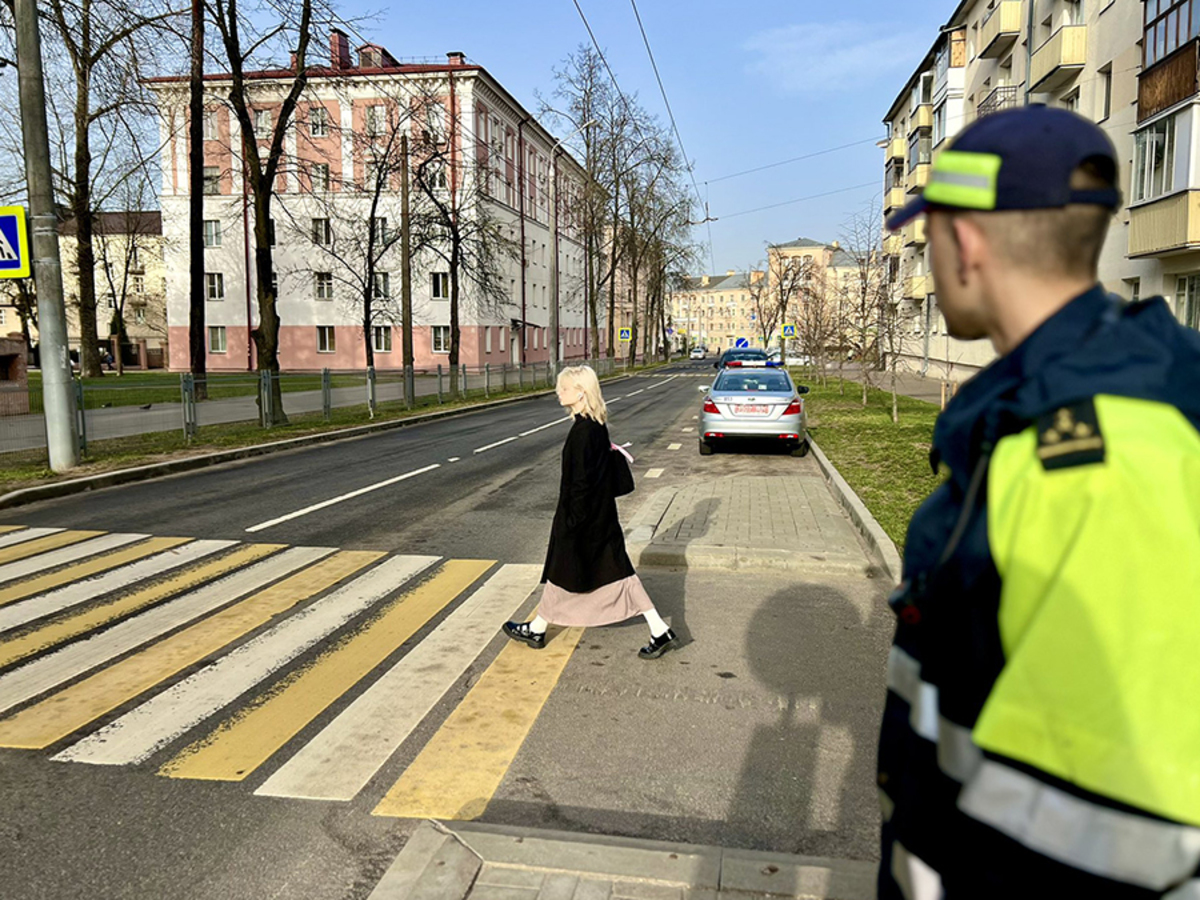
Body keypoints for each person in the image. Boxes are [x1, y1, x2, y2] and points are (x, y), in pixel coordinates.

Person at [877, 105, 1200, 898]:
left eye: (931, 232)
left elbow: (1103, 825)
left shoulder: (1097, 452)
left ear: (969, 242)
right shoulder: (1077, 402)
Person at [502, 365, 678, 659]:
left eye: (564, 388)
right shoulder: (594, 425)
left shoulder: (584, 432)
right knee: (599, 571)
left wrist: (571, 522)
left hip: (584, 518)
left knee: (594, 571)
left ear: (581, 392)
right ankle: (539, 627)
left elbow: (581, 482)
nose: (559, 392)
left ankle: (538, 628)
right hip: (598, 515)